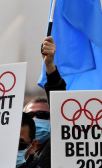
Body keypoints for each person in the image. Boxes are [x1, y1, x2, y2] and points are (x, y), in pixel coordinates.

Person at [23, 36, 66, 168]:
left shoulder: (61, 151)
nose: (35, 119)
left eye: (42, 115)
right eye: (29, 116)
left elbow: (59, 104)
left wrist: (50, 65)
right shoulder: (13, 155)